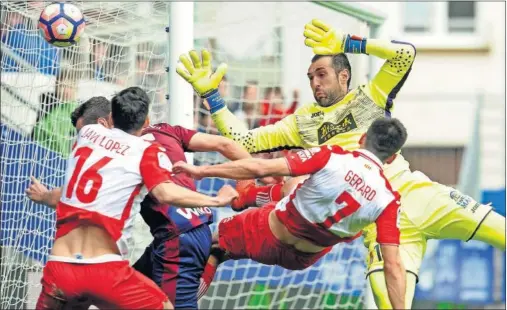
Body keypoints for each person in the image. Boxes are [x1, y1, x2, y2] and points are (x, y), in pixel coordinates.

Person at [175, 19, 506, 309]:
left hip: (417, 193)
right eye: (310, 77)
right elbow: (244, 142)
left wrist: (348, 42)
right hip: (378, 222)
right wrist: (213, 98)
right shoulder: (302, 122)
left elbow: (404, 54)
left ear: (344, 75)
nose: (315, 83)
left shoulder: (369, 97)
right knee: (390, 301)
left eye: (322, 74)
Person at [27, 93, 251, 309]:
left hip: (169, 238)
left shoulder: (89, 135)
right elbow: (224, 145)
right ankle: (210, 260)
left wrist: (45, 196)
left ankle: (209, 262)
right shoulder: (158, 139)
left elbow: (74, 192)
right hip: (165, 238)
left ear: (109, 120)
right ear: (146, 120)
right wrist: (242, 185)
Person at [173, 118, 409, 310]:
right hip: (301, 260)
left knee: (209, 245)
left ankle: (178, 304)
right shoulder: (389, 200)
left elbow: (258, 167)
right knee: (290, 194)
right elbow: (392, 265)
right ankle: (244, 198)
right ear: (392, 158)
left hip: (264, 233)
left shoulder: (331, 157)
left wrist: (201, 171)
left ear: (362, 138)